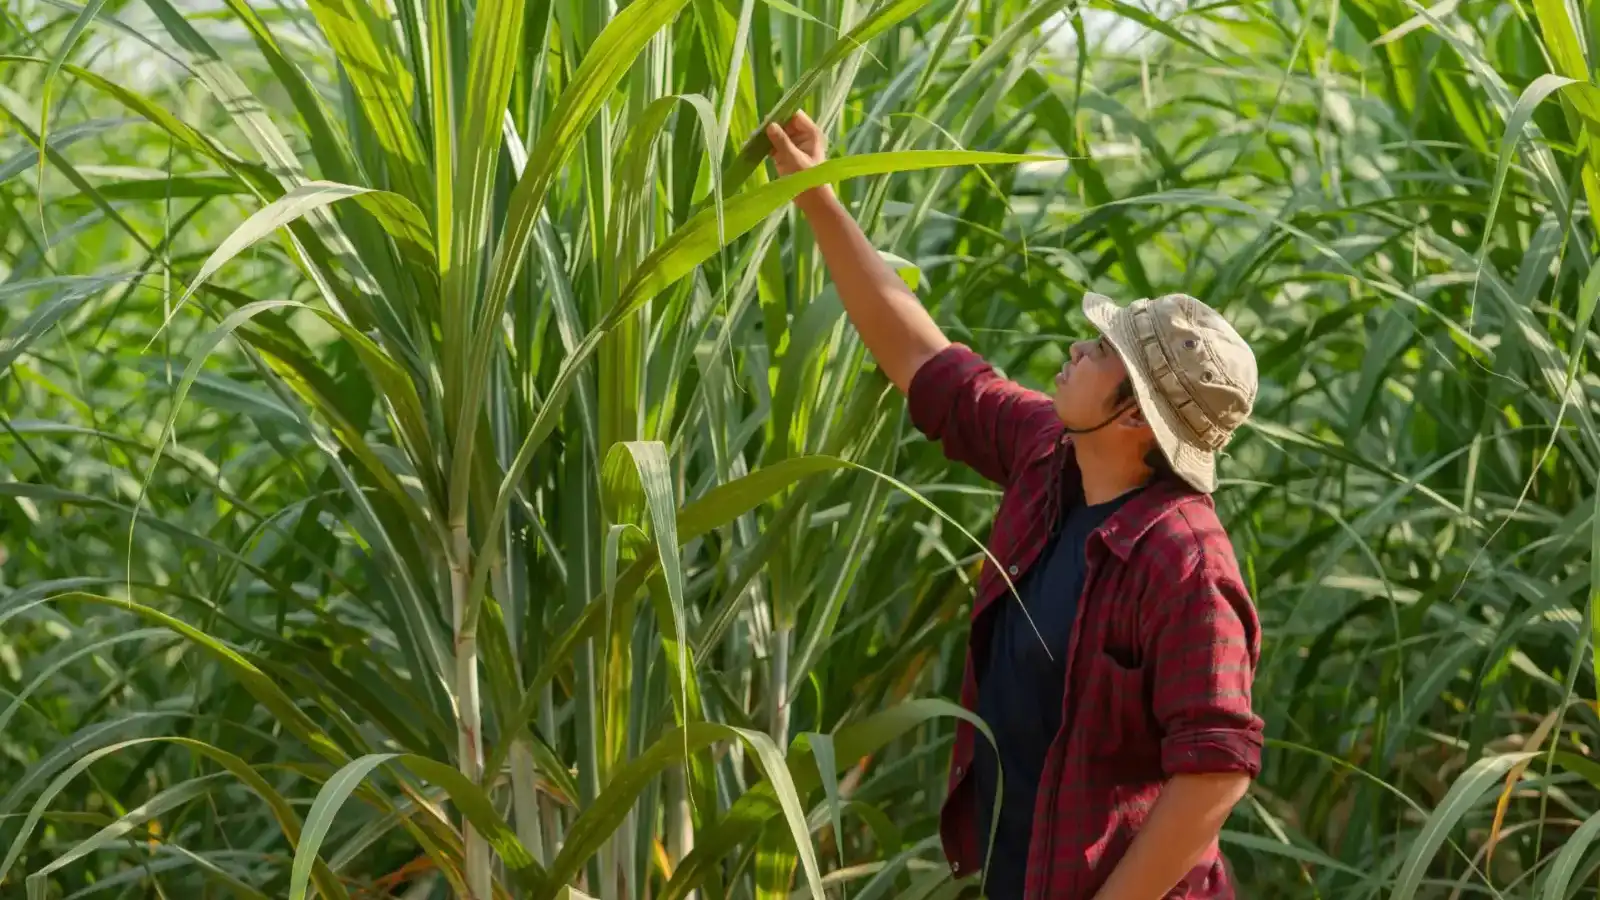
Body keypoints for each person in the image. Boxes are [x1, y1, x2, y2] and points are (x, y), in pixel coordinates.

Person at [765, 110, 1265, 900]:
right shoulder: (1048, 457)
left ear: (1136, 417)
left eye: (1102, 351)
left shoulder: (1184, 563)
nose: (1076, 347)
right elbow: (927, 362)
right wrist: (819, 197)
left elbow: (1213, 775)